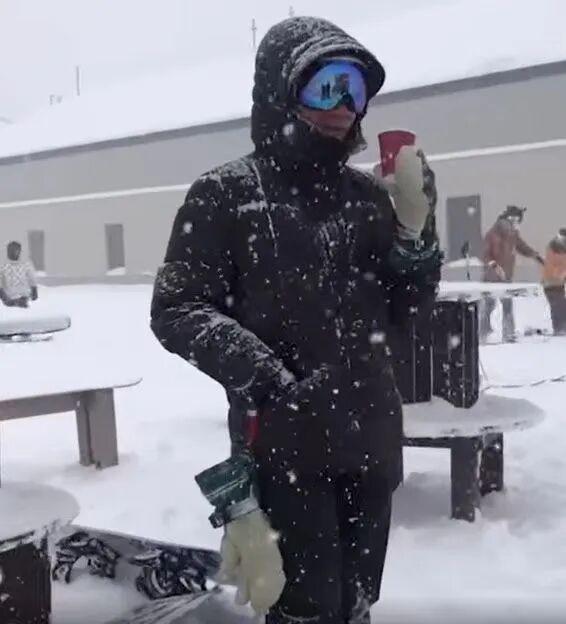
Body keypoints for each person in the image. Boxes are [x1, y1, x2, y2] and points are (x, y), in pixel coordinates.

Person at [151, 16, 441, 624]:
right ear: (280, 91)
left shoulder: (369, 199)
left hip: (371, 445)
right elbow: (177, 307)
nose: (342, 106)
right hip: (285, 452)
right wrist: (271, 379)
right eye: (325, 85)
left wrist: (415, 235)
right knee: (303, 611)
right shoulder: (226, 194)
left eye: (354, 90)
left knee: (357, 604)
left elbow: (403, 313)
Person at [480, 206, 543, 342]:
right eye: (514, 221)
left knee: (507, 306)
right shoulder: (493, 234)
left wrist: (535, 255)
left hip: (506, 277)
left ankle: (507, 333)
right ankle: (483, 334)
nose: (516, 224)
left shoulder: (513, 235)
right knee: (489, 306)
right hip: (491, 278)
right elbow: (485, 254)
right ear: (508, 219)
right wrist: (493, 265)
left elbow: (522, 247)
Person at [542, 228, 566, 335]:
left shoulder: (560, 247)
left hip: (558, 283)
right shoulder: (554, 248)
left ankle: (561, 327)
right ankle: (559, 328)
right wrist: (561, 274)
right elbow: (552, 266)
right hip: (551, 283)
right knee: (557, 306)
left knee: (561, 305)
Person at [0, 241, 38, 308]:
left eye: (17, 250)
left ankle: (21, 302)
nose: (15, 252)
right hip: (9, 297)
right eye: (12, 250)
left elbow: (32, 277)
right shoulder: (3, 265)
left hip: (24, 295)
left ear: (19, 251)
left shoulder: (26, 263)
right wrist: (2, 295)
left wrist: (34, 289)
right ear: (8, 251)